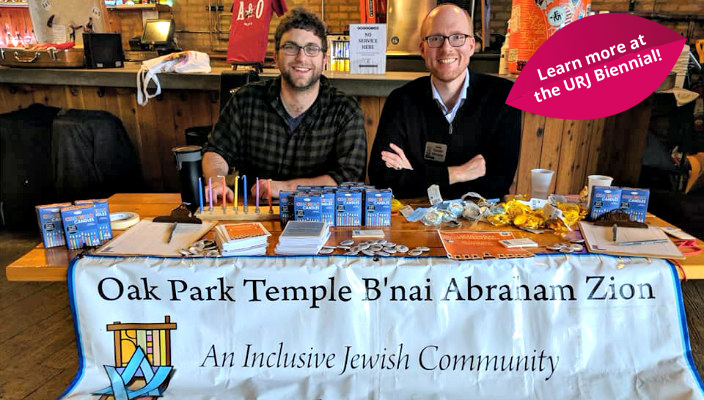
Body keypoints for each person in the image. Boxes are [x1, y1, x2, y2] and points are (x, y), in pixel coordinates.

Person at [203, 8, 367, 204]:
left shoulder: (345, 111)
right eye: (291, 47)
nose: (301, 58)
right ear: (275, 57)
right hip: (253, 215)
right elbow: (216, 150)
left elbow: (348, 178)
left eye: (311, 48)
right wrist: (216, 181)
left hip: (320, 218)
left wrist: (285, 188)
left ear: (324, 60)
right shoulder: (246, 99)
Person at [368, 4, 520, 200]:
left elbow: (496, 184)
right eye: (436, 39)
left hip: (480, 223)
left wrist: (414, 174)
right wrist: (458, 174)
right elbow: (382, 179)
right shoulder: (401, 100)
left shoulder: (502, 96)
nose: (446, 48)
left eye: (457, 37)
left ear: (471, 46)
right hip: (415, 223)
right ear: (422, 49)